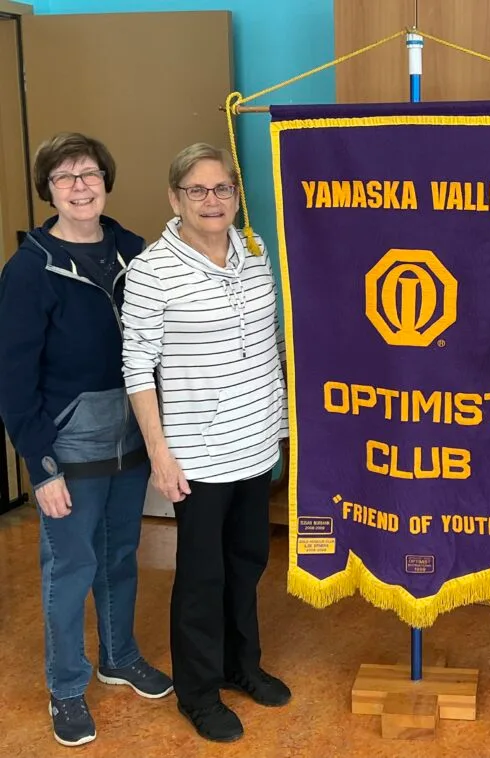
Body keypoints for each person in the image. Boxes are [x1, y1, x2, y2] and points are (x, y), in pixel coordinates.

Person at [0, 132, 173, 748]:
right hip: (68, 448)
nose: (80, 186)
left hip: (130, 438)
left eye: (90, 173)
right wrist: (40, 467)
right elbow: (14, 379)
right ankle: (67, 686)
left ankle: (118, 657)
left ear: (106, 181)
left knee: (120, 555)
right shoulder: (30, 269)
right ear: (48, 190)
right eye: (65, 177)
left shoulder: (135, 251)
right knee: (72, 567)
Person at [121, 143, 290, 743]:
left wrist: (281, 427)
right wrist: (160, 453)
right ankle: (197, 692)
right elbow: (137, 367)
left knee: (247, 564)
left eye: (222, 188)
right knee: (201, 578)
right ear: (175, 199)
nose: (211, 200)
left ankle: (241, 665)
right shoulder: (151, 270)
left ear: (235, 196)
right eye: (197, 190)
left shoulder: (255, 250)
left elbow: (270, 342)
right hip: (197, 456)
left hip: (256, 443)